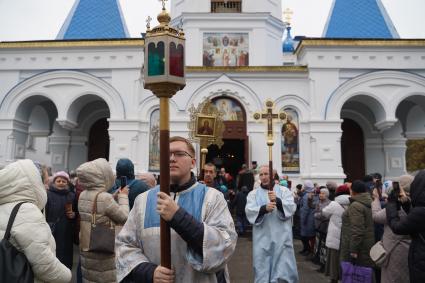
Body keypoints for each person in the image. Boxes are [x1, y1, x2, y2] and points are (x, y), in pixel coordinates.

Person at [116, 136, 237, 283]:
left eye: (179, 154)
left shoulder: (212, 198)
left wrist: (178, 216)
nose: (172, 159)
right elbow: (124, 245)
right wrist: (149, 272)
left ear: (193, 162)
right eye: (167, 154)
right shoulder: (143, 200)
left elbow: (225, 245)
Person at [0, 159, 71, 282]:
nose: (47, 187)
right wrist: (66, 275)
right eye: (45, 182)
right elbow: (44, 265)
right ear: (34, 182)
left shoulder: (5, 204)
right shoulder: (26, 210)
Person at [78, 158, 130, 283]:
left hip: (88, 247)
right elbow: (124, 217)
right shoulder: (105, 198)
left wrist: (113, 196)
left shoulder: (83, 194)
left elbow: (98, 207)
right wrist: (123, 197)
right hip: (103, 250)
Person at [245, 165, 298, 283]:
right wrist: (264, 208)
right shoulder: (253, 194)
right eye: (261, 174)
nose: (264, 177)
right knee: (262, 269)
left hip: (282, 238)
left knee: (283, 270)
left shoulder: (284, 191)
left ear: (273, 175)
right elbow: (249, 211)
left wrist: (278, 201)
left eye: (266, 174)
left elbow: (291, 207)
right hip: (262, 239)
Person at [372, 175, 413, 283]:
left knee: (392, 278)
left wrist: (376, 199)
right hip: (411, 248)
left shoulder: (398, 205)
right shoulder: (416, 202)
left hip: (394, 250)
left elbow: (376, 216)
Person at [386, 170, 425, 283]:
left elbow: (398, 227)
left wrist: (392, 204)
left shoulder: (421, 211)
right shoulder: (420, 211)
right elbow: (416, 222)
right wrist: (406, 204)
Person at [340, 181, 375, 271]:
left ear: (353, 191)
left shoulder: (356, 205)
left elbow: (357, 230)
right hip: (366, 244)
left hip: (358, 247)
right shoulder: (368, 201)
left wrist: (353, 250)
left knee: (358, 275)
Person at [45, 170, 76, 269]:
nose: (61, 183)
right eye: (58, 181)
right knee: (53, 252)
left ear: (67, 183)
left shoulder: (71, 195)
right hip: (52, 229)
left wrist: (73, 215)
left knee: (66, 253)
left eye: (64, 181)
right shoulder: (48, 194)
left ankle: (66, 272)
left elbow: (77, 211)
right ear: (54, 182)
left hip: (67, 230)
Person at [322, 184, 351, 283]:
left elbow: (324, 212)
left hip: (334, 237)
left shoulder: (334, 203)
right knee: (346, 260)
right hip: (347, 237)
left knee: (334, 261)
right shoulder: (353, 203)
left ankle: (334, 279)